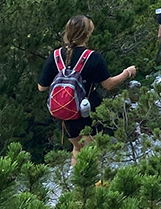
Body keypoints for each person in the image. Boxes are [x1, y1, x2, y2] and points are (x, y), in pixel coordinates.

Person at [37, 14, 136, 166]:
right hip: (88, 111)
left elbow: (42, 87)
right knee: (92, 150)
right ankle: (95, 187)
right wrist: (127, 73)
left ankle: (78, 186)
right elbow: (108, 85)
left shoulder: (55, 56)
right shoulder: (93, 57)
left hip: (65, 114)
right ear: (88, 33)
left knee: (77, 148)